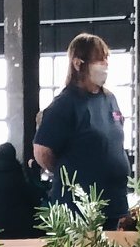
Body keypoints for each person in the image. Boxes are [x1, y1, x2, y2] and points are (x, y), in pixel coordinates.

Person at [33, 32, 129, 227]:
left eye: (106, 59)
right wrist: (69, 172)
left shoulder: (109, 99)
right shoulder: (65, 105)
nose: (105, 65)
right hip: (77, 209)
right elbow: (42, 151)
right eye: (99, 60)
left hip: (112, 203)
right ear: (79, 63)